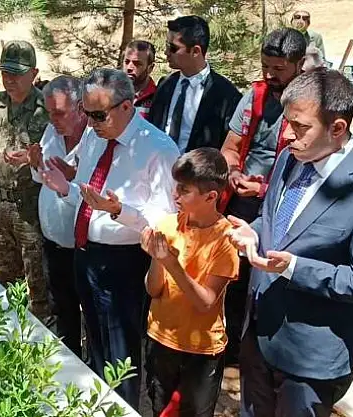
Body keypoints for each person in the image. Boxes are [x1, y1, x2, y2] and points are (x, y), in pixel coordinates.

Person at [228, 69, 353, 417]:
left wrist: (295, 268)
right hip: (259, 335)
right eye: (287, 122)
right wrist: (254, 231)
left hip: (310, 361)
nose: (287, 134)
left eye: (299, 127)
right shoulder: (290, 158)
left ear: (337, 128)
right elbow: (275, 220)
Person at [39, 68, 180, 408]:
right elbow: (89, 193)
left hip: (125, 263)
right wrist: (66, 188)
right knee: (97, 343)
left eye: (98, 115)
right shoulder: (94, 136)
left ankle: (122, 408)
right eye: (86, 113)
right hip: (85, 253)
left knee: (121, 352)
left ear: (127, 106)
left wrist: (120, 210)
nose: (91, 122)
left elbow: (167, 222)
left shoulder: (158, 148)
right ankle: (100, 406)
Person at [219, 27, 306, 366]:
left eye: (279, 69)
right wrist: (233, 172)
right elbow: (231, 147)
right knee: (234, 277)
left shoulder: (311, 104)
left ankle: (261, 352)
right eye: (265, 66)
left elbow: (311, 175)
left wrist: (265, 190)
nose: (270, 75)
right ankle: (230, 349)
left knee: (269, 278)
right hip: (241, 202)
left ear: (299, 64)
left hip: (286, 208)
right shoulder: (253, 97)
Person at [141, 148, 239, 417]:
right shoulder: (167, 225)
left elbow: (206, 302)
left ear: (211, 196)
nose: (175, 195)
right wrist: (157, 258)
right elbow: (153, 289)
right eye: (176, 187)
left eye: (184, 190)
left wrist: (171, 263)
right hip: (161, 338)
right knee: (160, 409)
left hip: (201, 350)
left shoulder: (226, 239)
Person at [0, 41, 51, 320]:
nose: (10, 79)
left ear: (34, 73)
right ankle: (12, 329)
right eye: (5, 72)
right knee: (6, 276)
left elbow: (60, 154)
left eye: (17, 73)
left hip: (30, 203)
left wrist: (33, 159)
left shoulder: (47, 107)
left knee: (36, 277)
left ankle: (42, 333)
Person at [28, 75, 88, 357]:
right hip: (53, 241)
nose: (53, 119)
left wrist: (73, 176)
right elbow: (42, 178)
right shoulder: (52, 132)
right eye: (50, 112)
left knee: (89, 308)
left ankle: (94, 366)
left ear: (80, 108)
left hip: (84, 245)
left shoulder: (95, 138)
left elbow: (102, 190)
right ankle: (69, 358)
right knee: (61, 306)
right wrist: (35, 164)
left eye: (60, 113)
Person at [148, 16, 242, 154]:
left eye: (173, 48)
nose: (166, 53)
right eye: (167, 46)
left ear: (195, 51)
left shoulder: (226, 95)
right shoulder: (165, 84)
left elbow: (228, 147)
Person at [122, 40, 158, 117]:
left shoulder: (158, 98)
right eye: (127, 62)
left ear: (150, 68)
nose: (129, 68)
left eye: (137, 64)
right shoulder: (113, 93)